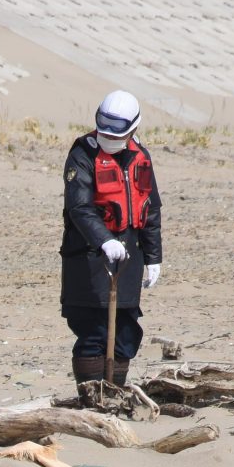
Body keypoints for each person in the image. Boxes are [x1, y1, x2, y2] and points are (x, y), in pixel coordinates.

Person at [59, 90, 162, 405]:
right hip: (88, 261)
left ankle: (114, 396)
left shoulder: (140, 156)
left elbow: (152, 208)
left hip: (128, 261)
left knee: (125, 333)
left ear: (133, 128)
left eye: (117, 134)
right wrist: (103, 239)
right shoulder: (82, 153)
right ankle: (92, 401)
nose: (109, 138)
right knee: (93, 333)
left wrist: (154, 257)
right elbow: (79, 207)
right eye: (104, 131)